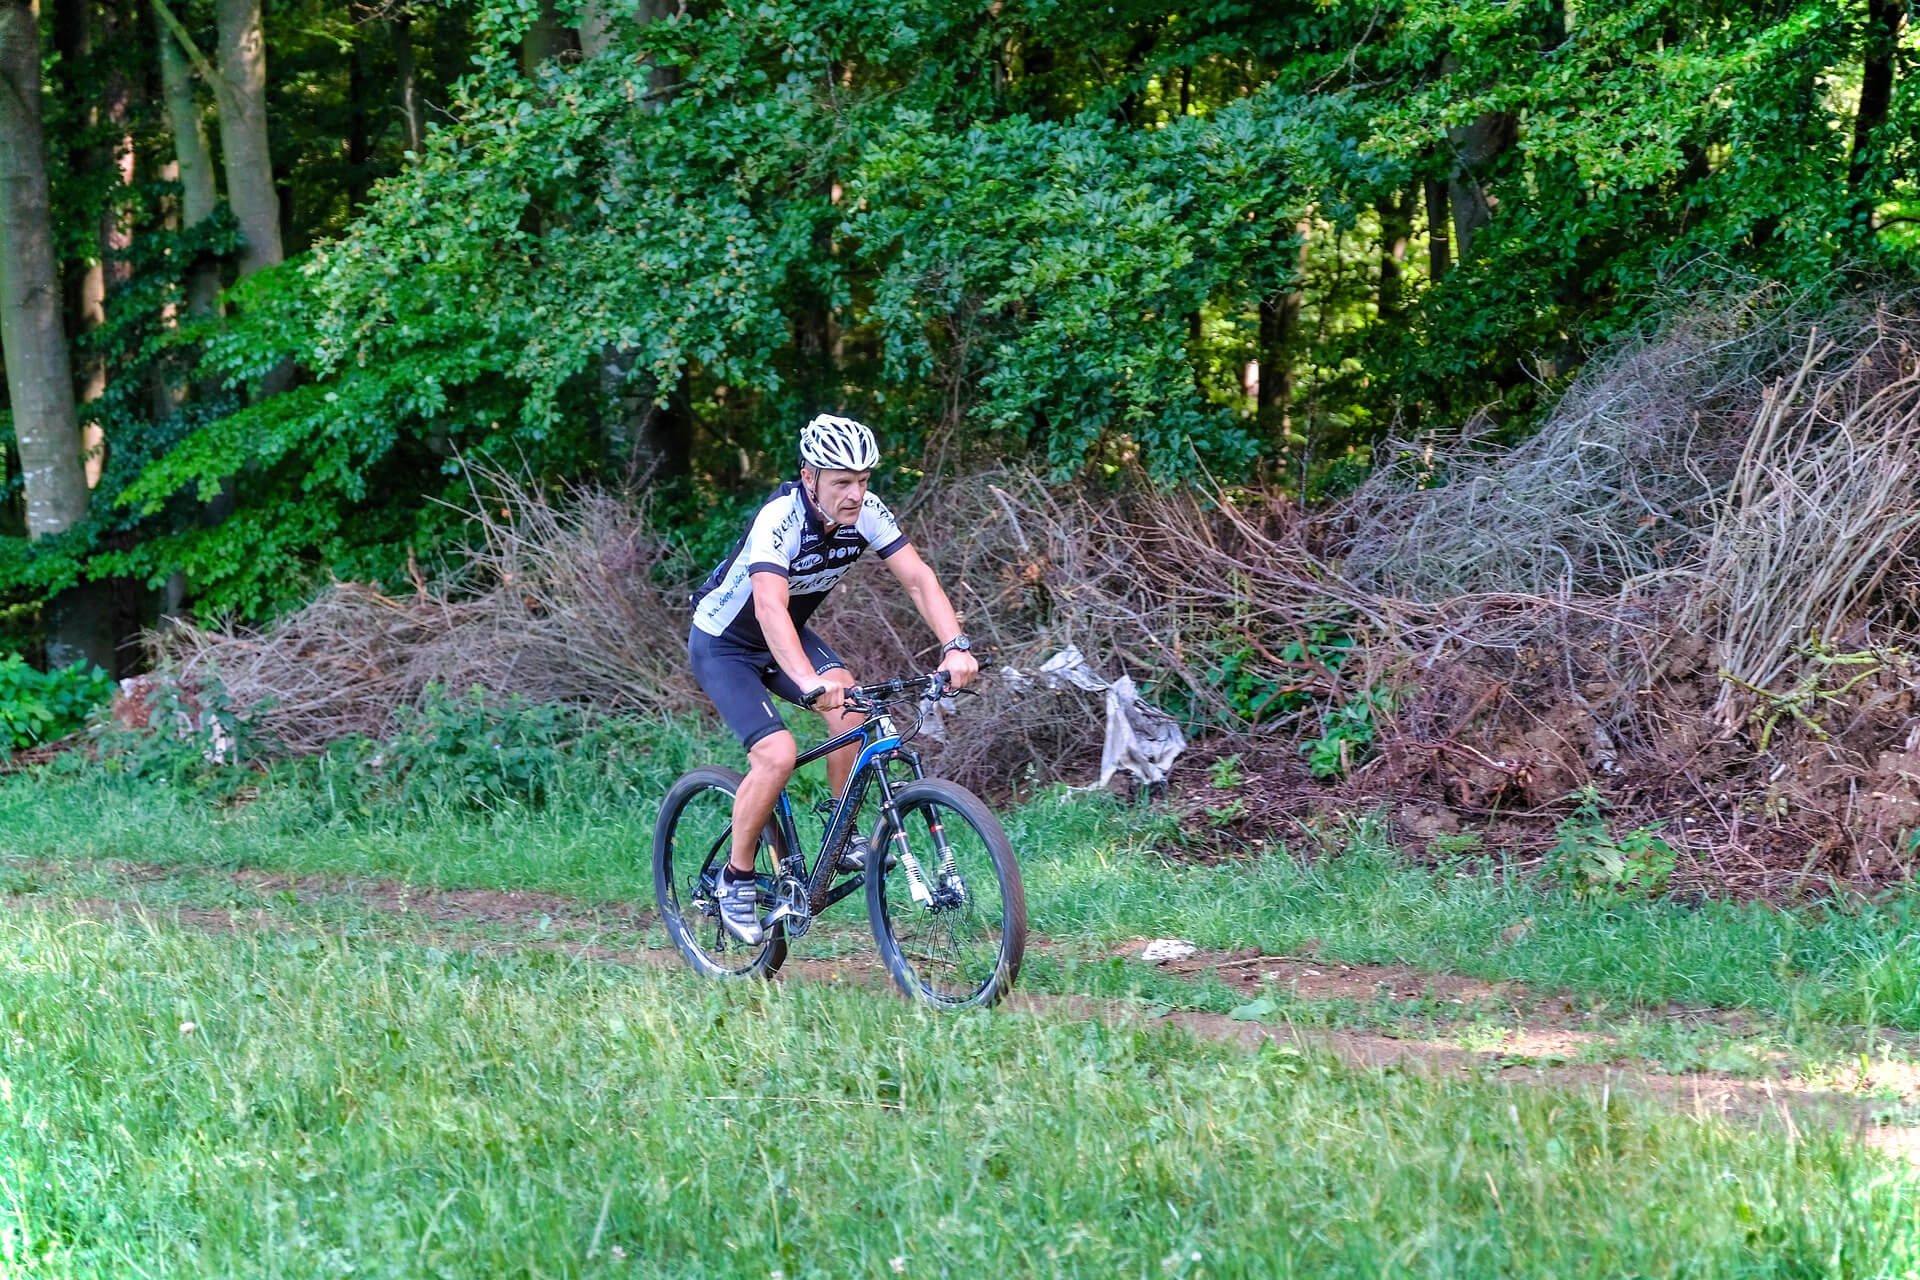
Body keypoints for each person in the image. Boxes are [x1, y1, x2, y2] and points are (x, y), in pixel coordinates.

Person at [687, 414, 979, 944]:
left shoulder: (866, 512)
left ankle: (840, 832)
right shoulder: (779, 519)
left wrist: (955, 645)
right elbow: (771, 608)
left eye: (863, 480)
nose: (855, 493)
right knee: (775, 754)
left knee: (852, 708)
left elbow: (918, 579)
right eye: (842, 481)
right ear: (809, 477)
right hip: (725, 644)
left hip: (788, 635)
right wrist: (805, 679)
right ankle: (736, 880)